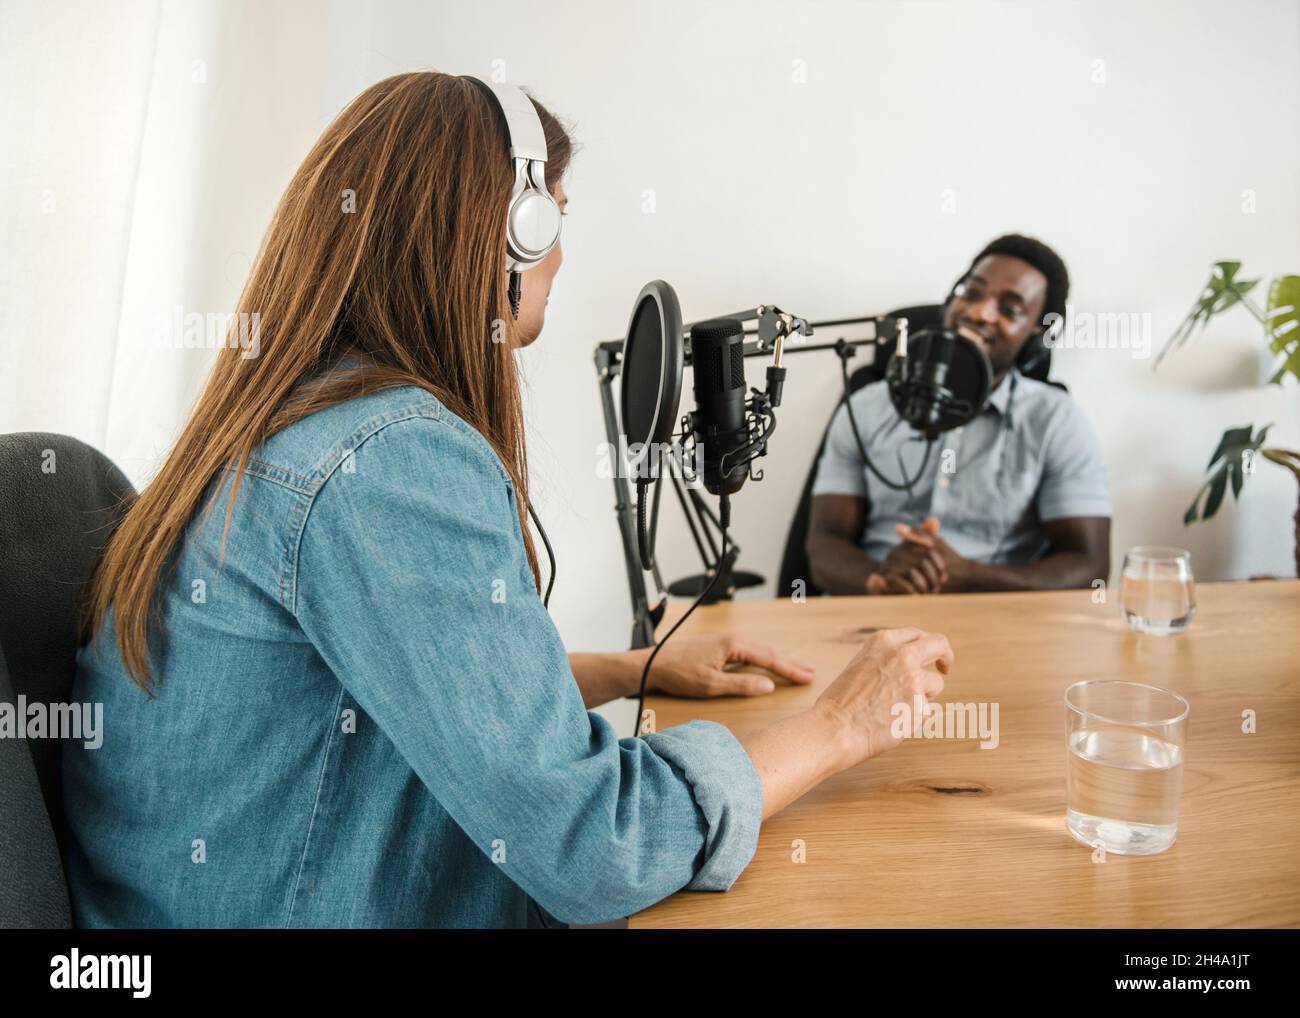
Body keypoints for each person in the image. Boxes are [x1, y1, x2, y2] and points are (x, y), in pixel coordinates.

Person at [63, 71, 953, 928]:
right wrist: (843, 723)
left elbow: (379, 688)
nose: (562, 256)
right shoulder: (390, 459)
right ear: (510, 235)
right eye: (556, 219)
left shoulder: (297, 422)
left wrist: (620, 673)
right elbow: (597, 847)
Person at [806, 235, 1112, 596]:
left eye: (1010, 309)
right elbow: (824, 543)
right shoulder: (866, 406)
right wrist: (881, 578)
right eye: (971, 292)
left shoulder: (1057, 421)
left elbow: (1089, 565)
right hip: (872, 616)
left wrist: (970, 576)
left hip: (995, 622)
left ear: (1036, 336)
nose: (979, 312)